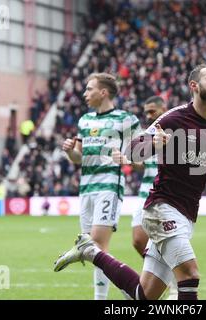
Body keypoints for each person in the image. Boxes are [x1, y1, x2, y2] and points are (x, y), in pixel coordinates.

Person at [55, 64, 206, 300]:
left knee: (143, 295)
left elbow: (203, 162)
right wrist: (155, 145)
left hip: (187, 213)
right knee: (190, 274)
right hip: (162, 208)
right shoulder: (175, 117)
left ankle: (91, 251)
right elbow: (134, 150)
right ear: (194, 86)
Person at [61, 72, 141, 300]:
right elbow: (79, 158)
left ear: (103, 92)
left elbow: (143, 155)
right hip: (86, 188)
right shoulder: (84, 121)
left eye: (89, 89)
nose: (85, 94)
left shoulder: (126, 119)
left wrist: (126, 159)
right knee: (91, 249)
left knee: (96, 242)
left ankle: (102, 299)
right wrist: (69, 151)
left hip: (109, 185)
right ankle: (130, 288)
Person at [112, 96, 178, 299]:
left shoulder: (175, 133)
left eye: (152, 111)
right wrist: (128, 161)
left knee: (164, 243)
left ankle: (172, 285)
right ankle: (160, 279)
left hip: (165, 195)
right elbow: (142, 165)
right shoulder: (146, 135)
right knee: (139, 241)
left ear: (163, 109)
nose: (148, 116)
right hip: (144, 194)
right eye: (146, 112)